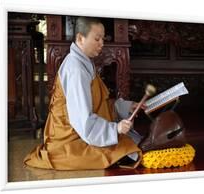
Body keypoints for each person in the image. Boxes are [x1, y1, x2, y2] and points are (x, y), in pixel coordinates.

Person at [24, 17, 144, 170]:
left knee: (130, 143)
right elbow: (83, 121)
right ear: (80, 38)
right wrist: (115, 129)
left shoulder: (84, 61)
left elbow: (98, 102)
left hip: (82, 131)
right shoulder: (76, 69)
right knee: (128, 149)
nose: (102, 44)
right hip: (70, 139)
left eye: (103, 39)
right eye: (97, 39)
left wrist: (128, 107)